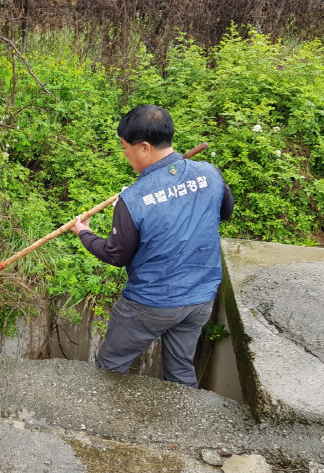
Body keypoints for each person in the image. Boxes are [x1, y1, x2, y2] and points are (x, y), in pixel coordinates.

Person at [70, 105, 234, 388]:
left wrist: (84, 233)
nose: (125, 154)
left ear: (144, 148)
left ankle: (105, 428)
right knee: (181, 371)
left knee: (110, 369)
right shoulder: (208, 173)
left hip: (150, 304)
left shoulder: (133, 199)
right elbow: (225, 213)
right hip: (200, 299)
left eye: (125, 147)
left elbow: (115, 254)